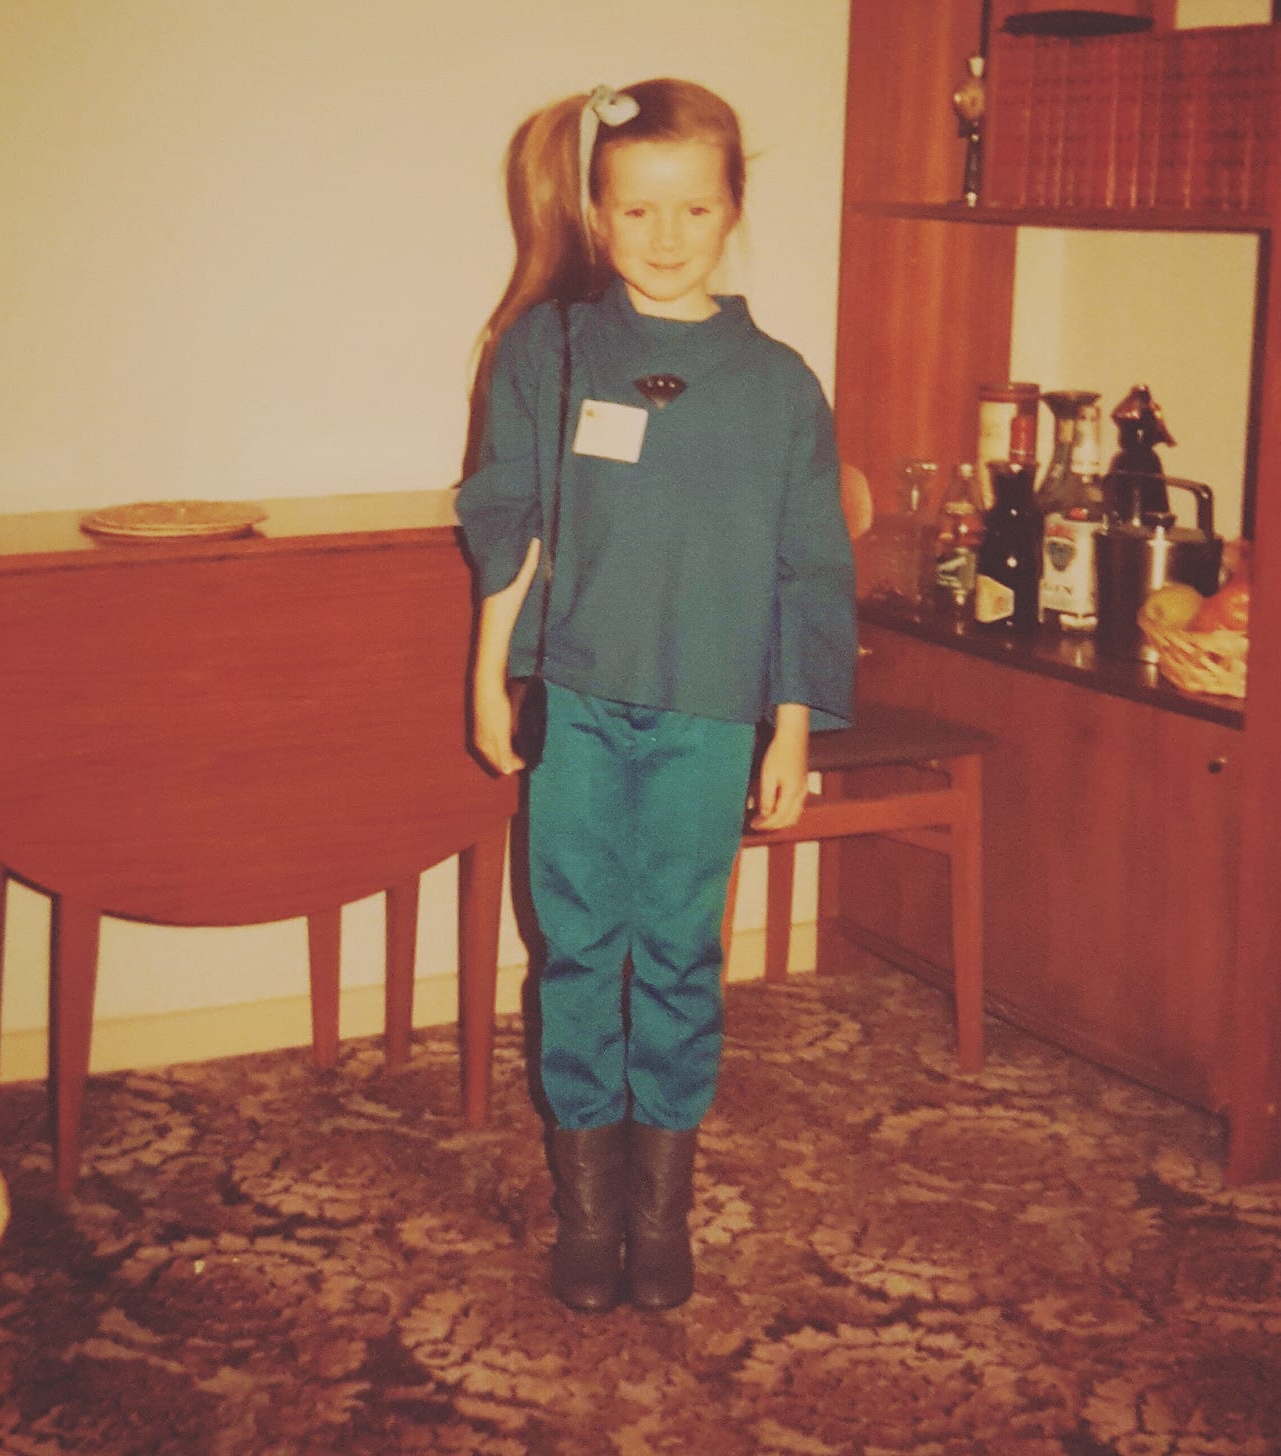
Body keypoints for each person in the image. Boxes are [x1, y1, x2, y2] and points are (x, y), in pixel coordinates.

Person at [456, 78, 855, 1314]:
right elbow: (505, 522)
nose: (666, 236)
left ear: (733, 208)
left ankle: (660, 1214)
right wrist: (488, 674)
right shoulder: (550, 348)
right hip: (573, 700)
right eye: (638, 211)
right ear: (597, 210)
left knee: (677, 952)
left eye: (694, 207)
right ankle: (587, 1217)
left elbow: (807, 564)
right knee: (576, 946)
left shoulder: (780, 383)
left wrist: (789, 723)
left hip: (708, 712)